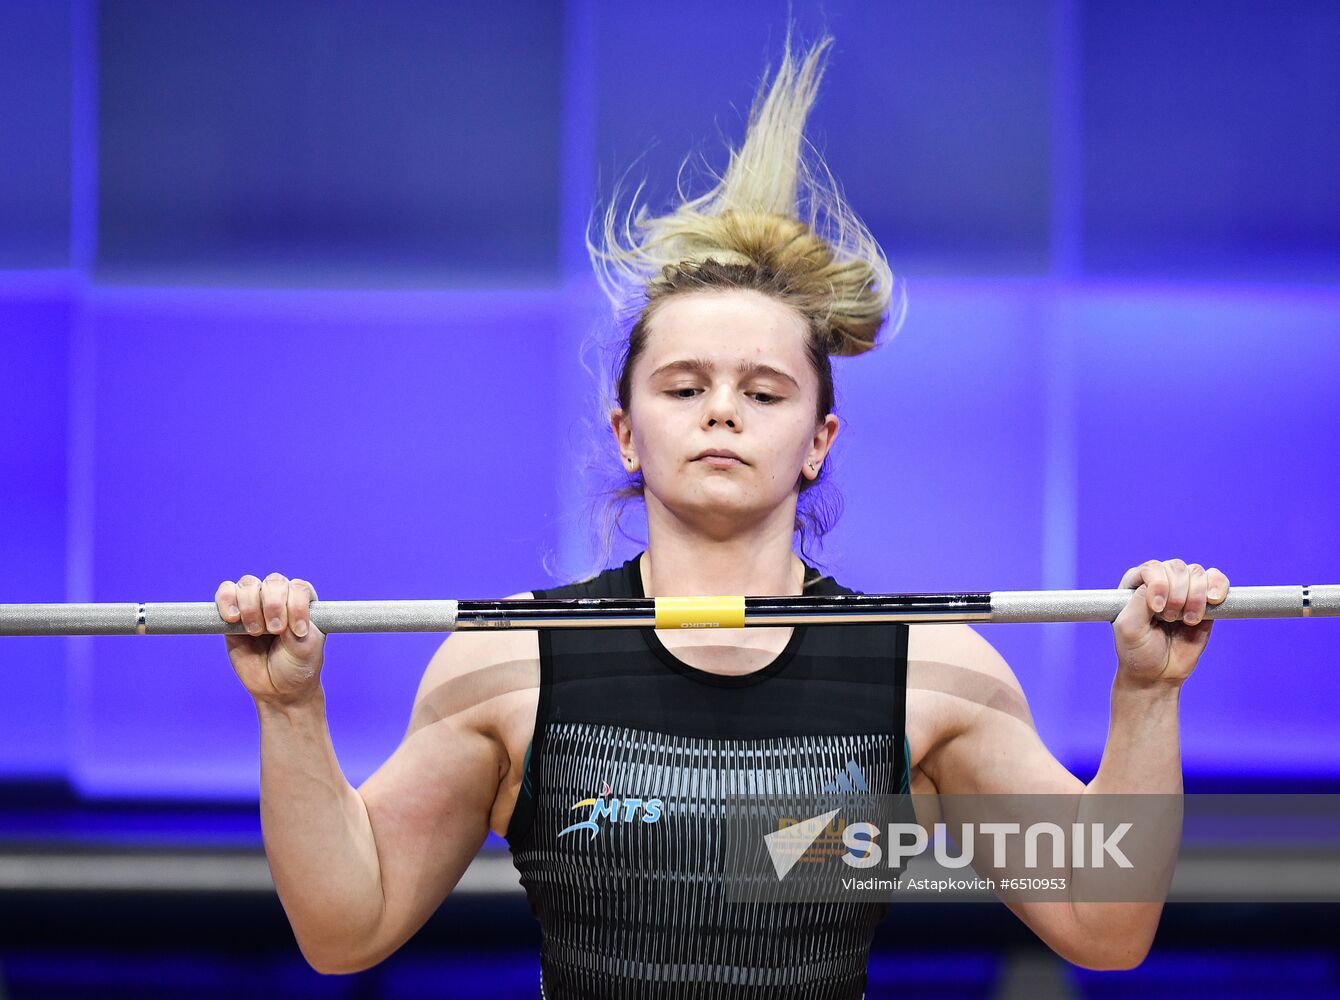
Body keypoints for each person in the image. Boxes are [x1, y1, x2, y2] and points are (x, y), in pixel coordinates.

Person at [214, 33, 1230, 998]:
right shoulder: (509, 659)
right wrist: (289, 713)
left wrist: (1145, 694)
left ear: (817, 439)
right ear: (625, 430)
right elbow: (345, 927)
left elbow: (1106, 922)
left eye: (763, 390)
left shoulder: (931, 668)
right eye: (683, 385)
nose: (720, 412)